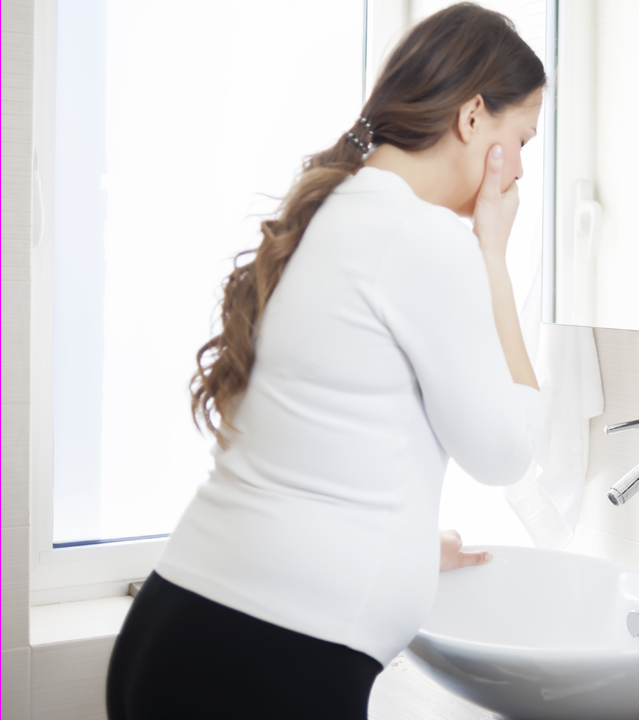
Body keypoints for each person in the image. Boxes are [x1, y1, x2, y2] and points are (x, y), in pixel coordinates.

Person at [105, 5, 545, 718]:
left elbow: (318, 432)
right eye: (522, 137)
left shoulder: (334, 212)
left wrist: (398, 542)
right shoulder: (423, 238)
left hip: (184, 630)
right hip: (264, 659)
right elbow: (506, 453)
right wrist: (495, 254)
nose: (521, 168)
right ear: (472, 119)